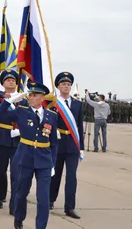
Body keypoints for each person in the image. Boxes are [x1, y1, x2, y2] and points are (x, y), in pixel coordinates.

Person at [0, 81, 58, 229]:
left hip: (44, 160)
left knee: (43, 198)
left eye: (35, 95)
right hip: (25, 157)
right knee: (21, 192)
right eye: (30, 95)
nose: (31, 97)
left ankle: (40, 226)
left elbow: (54, 142)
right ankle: (19, 218)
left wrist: (53, 163)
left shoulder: (52, 115)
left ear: (42, 98)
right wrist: (8, 101)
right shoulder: (21, 111)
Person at [0, 70, 28, 213]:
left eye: (13, 80)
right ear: (3, 83)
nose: (11, 82)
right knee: (1, 170)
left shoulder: (23, 99)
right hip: (2, 138)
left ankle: (14, 202)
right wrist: (8, 96)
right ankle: (0, 196)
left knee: (16, 172)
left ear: (17, 83)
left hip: (18, 139)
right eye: (7, 80)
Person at [50, 72, 84, 219]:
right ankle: (50, 199)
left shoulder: (77, 104)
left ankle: (69, 207)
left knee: (71, 177)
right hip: (57, 144)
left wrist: (81, 147)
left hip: (72, 145)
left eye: (68, 84)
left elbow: (80, 126)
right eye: (63, 84)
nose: (66, 86)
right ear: (58, 86)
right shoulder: (53, 103)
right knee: (54, 175)